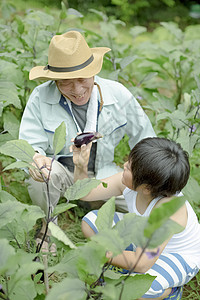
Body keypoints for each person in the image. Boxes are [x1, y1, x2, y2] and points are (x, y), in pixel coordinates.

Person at [19, 30, 156, 248]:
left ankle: (106, 212)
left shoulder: (118, 95)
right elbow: (29, 146)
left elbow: (147, 140)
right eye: (65, 82)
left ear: (93, 71)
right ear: (54, 80)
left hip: (104, 176)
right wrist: (36, 159)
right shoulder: (39, 98)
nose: (77, 89)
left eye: (83, 79)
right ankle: (48, 223)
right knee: (44, 176)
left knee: (152, 200)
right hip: (62, 176)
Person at [72, 137, 200, 300]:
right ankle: (126, 262)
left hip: (177, 255)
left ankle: (170, 291)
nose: (124, 165)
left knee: (134, 290)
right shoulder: (129, 182)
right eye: (129, 161)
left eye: (130, 167)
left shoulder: (168, 210)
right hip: (144, 240)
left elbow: (142, 264)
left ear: (146, 188)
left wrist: (101, 253)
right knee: (90, 222)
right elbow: (85, 193)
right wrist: (81, 166)